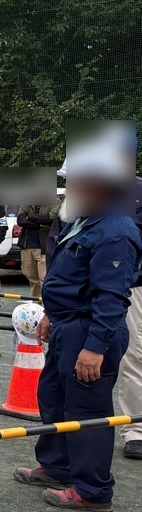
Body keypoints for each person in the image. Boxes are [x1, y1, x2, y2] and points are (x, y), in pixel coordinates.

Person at [13, 147, 140, 510]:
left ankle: (93, 490)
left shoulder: (114, 231)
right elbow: (72, 277)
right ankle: (57, 466)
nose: (69, 188)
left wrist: (95, 347)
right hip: (70, 327)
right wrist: (53, 313)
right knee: (54, 396)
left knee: (88, 411)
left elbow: (111, 297)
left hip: (89, 333)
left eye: (75, 182)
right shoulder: (88, 220)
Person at [117, 148, 142, 460]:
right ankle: (135, 429)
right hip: (118, 285)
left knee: (136, 353)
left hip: (134, 283)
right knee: (133, 355)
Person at [16, 200, 59, 298]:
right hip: (27, 245)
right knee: (31, 277)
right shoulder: (27, 202)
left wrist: (30, 217)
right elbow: (20, 220)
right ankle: (36, 304)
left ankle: (47, 305)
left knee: (44, 278)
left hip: (44, 247)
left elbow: (51, 218)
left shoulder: (54, 201)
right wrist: (40, 224)